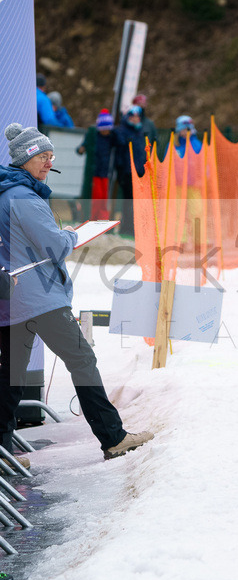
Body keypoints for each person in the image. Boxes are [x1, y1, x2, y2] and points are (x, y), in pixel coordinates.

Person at [0, 123, 154, 461]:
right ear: (24, 159)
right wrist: (70, 234)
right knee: (82, 362)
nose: (48, 161)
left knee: (11, 378)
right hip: (40, 298)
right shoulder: (25, 198)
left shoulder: (7, 193)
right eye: (42, 155)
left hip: (13, 301)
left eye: (51, 155)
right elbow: (54, 246)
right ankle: (113, 437)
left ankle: (1, 450)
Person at [112, 105, 147, 236]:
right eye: (133, 116)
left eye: (137, 117)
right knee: (128, 201)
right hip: (127, 172)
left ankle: (131, 226)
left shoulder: (138, 132)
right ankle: (126, 227)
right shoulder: (122, 131)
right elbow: (121, 153)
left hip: (138, 171)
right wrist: (121, 170)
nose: (136, 119)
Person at [75, 109, 115, 220]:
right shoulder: (93, 135)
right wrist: (81, 149)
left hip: (105, 172)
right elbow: (81, 147)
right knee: (96, 199)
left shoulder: (111, 137)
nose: (106, 132)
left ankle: (102, 219)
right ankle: (92, 218)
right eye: (104, 129)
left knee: (103, 199)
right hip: (95, 173)